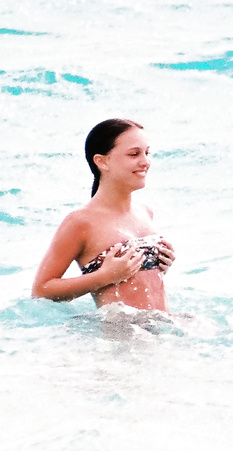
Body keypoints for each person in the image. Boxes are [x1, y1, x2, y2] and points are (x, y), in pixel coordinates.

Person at [32, 118, 175, 311]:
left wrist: (160, 265)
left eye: (147, 153)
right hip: (122, 328)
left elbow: (138, 286)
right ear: (102, 161)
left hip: (162, 322)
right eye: (134, 154)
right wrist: (104, 277)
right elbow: (41, 290)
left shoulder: (145, 212)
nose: (145, 162)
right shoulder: (81, 222)